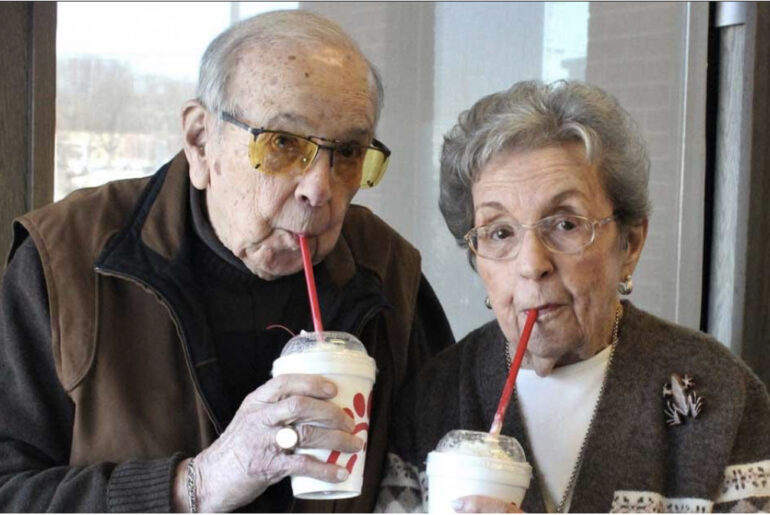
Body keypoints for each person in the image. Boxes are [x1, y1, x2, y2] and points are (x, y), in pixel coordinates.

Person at [0, 10, 453, 513]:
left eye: (347, 152)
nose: (319, 189)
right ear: (199, 140)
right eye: (283, 143)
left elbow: (432, 469)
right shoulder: (67, 257)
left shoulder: (388, 269)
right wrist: (198, 483)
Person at [376, 80, 770, 513]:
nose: (532, 264)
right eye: (500, 232)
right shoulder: (433, 402)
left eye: (565, 224)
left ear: (630, 243)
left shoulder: (719, 396)